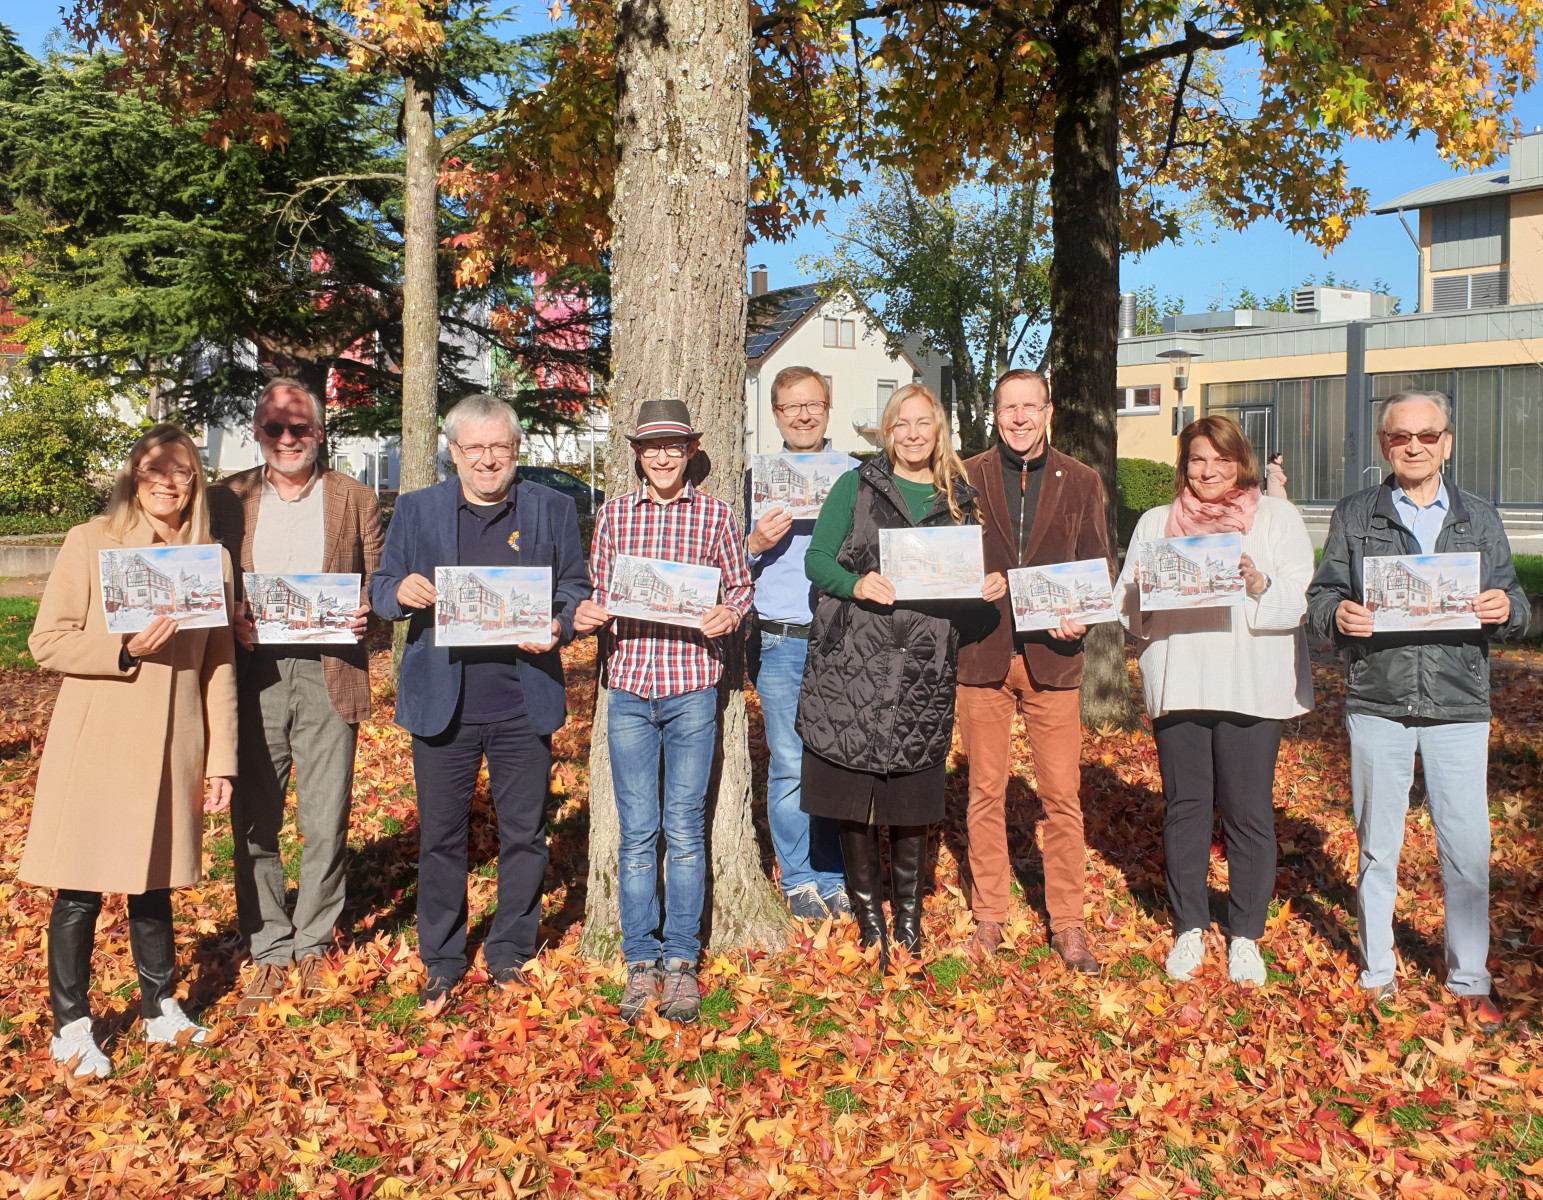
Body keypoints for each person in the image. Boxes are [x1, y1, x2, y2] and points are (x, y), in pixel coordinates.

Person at [1306, 390, 1529, 1029]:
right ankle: (1378, 973)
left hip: (1459, 704)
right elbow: (1322, 599)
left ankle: (1468, 978)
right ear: (1385, 445)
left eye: (1427, 435)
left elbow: (1517, 603)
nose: (1414, 445)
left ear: (1447, 443)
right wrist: (1339, 616)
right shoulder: (1355, 515)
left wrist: (1504, 610)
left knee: (1466, 848)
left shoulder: (1479, 517)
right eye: (1401, 436)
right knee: (1379, 846)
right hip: (1379, 700)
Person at [19, 424, 237, 1077]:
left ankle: (158, 1007)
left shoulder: (211, 561)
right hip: (100, 737)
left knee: (154, 883)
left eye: (181, 472)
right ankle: (71, 1024)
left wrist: (221, 756)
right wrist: (124, 649)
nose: (167, 484)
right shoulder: (90, 542)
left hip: (176, 741)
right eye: (154, 471)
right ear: (133, 477)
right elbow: (47, 642)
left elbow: (220, 667)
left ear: (194, 481)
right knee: (81, 887)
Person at [369, 394, 591, 1007]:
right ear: (453, 451)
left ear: (516, 450)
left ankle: (509, 950)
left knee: (526, 835)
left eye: (500, 447)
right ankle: (442, 956)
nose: (488, 460)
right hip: (445, 702)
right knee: (441, 837)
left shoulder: (550, 506)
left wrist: (560, 625)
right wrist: (403, 591)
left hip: (523, 700)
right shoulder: (417, 510)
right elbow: (382, 587)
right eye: (475, 448)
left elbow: (575, 586)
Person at [797, 383, 1006, 973]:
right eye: (901, 425)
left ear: (938, 431)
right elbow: (817, 559)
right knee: (856, 797)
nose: (913, 435)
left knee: (912, 799)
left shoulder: (959, 500)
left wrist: (984, 593)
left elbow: (963, 593)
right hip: (854, 665)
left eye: (923, 424)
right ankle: (870, 922)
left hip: (922, 667)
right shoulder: (855, 487)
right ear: (886, 433)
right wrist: (856, 583)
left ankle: (908, 923)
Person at [1116, 415, 1314, 986]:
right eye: (1198, 460)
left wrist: (1257, 585)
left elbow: (1297, 596)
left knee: (1249, 812)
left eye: (1221, 460)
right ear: (1184, 465)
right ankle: (1190, 926)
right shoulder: (1157, 523)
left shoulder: (1274, 518)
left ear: (1240, 463)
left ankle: (1246, 935)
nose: (1209, 471)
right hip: (1181, 680)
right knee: (1186, 809)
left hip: (1251, 682)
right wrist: (1142, 596)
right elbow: (1131, 608)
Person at [573, 399, 754, 1026]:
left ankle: (681, 962)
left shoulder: (716, 516)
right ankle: (638, 960)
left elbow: (740, 586)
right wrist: (588, 612)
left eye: (673, 446)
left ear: (690, 450)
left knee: (683, 829)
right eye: (652, 447)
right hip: (626, 686)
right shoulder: (614, 515)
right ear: (637, 454)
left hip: (690, 686)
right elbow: (598, 588)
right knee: (635, 834)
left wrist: (729, 613)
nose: (663, 457)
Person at [208, 377, 383, 1015]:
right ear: (258, 433)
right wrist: (229, 619)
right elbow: (201, 582)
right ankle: (269, 946)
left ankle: (312, 941)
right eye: (274, 428)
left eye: (299, 427)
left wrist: (370, 616)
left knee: (325, 817)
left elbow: (382, 587)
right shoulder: (224, 501)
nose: (287, 439)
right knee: (254, 818)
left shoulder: (354, 497)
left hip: (328, 669)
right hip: (250, 674)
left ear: (319, 431)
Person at [954, 369, 1113, 971]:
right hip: (983, 653)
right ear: (994, 414)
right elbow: (946, 562)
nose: (1019, 418)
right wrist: (968, 587)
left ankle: (1069, 923)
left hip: (1054, 658)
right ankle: (990, 914)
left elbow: (1097, 568)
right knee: (984, 792)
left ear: (1049, 411)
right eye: (1008, 408)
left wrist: (1085, 619)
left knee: (1062, 798)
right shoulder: (965, 477)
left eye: (1030, 407)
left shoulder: (1082, 480)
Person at [744, 366, 854, 920]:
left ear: (828, 407)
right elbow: (724, 565)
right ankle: (799, 877)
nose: (803, 415)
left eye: (812, 404)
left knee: (835, 759)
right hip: (780, 640)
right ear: (777, 415)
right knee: (789, 760)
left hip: (844, 639)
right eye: (791, 407)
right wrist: (753, 541)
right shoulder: (754, 481)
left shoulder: (857, 475)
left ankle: (834, 874)